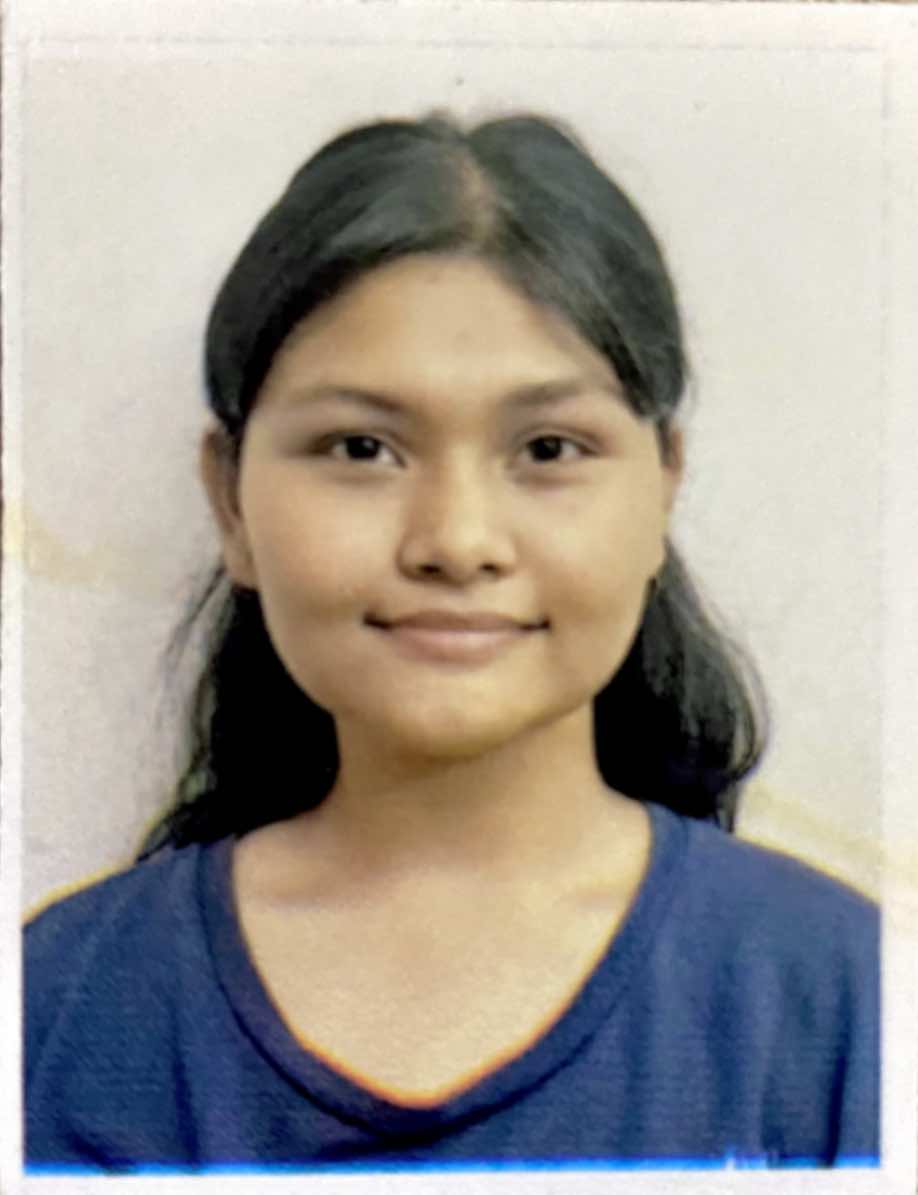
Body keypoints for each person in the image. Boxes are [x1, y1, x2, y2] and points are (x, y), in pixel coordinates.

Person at [24, 111, 879, 1173]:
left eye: (549, 448)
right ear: (231, 501)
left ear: (663, 488)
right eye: (362, 447)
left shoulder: (844, 1004)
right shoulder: (57, 1012)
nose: (457, 540)